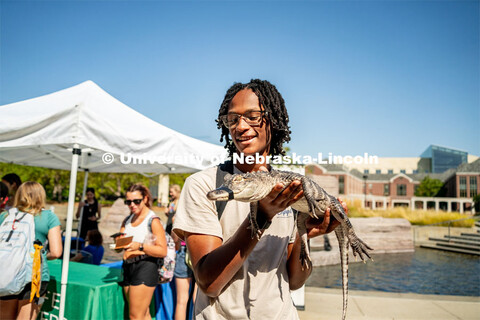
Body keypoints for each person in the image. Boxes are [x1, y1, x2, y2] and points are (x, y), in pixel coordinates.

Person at [173, 79, 343, 319]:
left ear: (273, 120)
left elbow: (295, 281)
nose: (240, 126)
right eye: (232, 119)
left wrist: (303, 232)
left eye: (252, 116)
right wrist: (261, 218)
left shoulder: (290, 189)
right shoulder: (204, 185)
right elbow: (208, 283)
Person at [0, 181, 63, 320]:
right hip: (33, 275)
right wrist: (40, 255)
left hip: (6, 272)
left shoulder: (5, 216)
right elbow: (57, 252)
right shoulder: (48, 217)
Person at [117, 184, 167, 320]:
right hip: (127, 266)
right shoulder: (127, 220)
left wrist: (139, 246)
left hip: (145, 265)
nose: (132, 205)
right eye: (128, 202)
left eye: (136, 201)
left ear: (145, 199)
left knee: (135, 316)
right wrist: (118, 244)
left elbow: (162, 250)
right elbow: (120, 246)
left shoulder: (153, 221)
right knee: (143, 314)